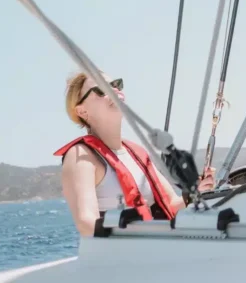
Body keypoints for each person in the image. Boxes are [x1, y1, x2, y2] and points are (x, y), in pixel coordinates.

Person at [56, 72, 213, 236]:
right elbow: (86, 222)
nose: (114, 90)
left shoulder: (137, 153)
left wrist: (197, 189)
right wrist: (128, 227)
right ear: (82, 111)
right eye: (102, 89)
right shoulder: (81, 156)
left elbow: (172, 205)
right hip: (124, 251)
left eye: (116, 85)